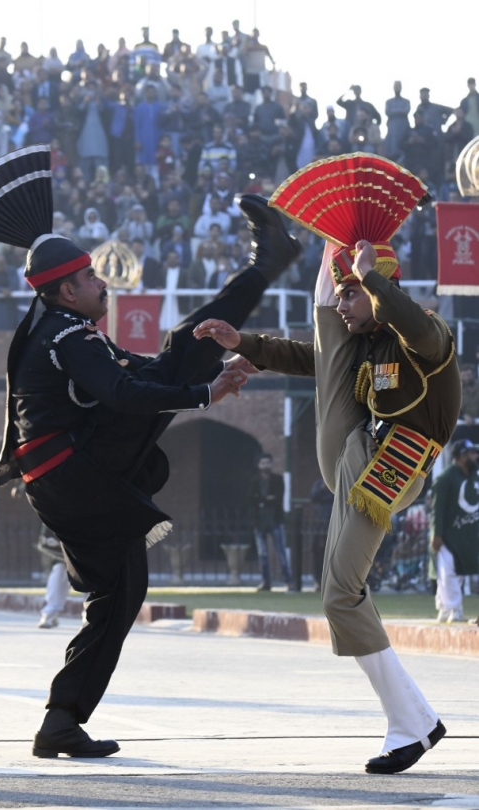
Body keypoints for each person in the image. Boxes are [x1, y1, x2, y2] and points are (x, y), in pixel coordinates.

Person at [0, 143, 300, 759]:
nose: (100, 280)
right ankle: (268, 263)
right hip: (73, 473)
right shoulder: (65, 336)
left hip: (65, 479)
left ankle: (60, 721)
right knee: (180, 358)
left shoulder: (66, 331)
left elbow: (140, 373)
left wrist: (195, 376)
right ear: (62, 292)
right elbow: (125, 391)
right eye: (88, 277)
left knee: (120, 591)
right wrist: (205, 391)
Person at [194, 153, 461, 775]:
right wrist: (245, 346)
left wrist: (371, 279)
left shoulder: (425, 335)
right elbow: (313, 357)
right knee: (337, 593)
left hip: (394, 465)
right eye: (339, 293)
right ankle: (417, 721)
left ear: (376, 287)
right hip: (358, 456)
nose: (344, 304)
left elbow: (416, 327)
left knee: (341, 593)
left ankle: (411, 726)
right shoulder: (363, 346)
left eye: (350, 294)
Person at [430, 439, 479, 623]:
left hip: (468, 534)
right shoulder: (445, 478)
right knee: (447, 572)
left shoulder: (474, 476)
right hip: (448, 535)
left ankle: (444, 607)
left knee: (457, 574)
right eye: (473, 453)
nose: (476, 457)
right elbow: (438, 508)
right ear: (462, 456)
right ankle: (454, 609)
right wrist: (437, 534)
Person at [249, 453, 293, 591]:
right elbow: (251, 498)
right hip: (260, 521)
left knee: (280, 552)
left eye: (267, 463)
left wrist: (262, 499)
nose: (265, 466)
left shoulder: (278, 480)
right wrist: (265, 498)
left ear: (271, 464)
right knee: (263, 553)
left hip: (275, 520)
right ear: (259, 465)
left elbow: (278, 497)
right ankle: (266, 582)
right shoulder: (255, 481)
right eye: (262, 463)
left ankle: (288, 581)